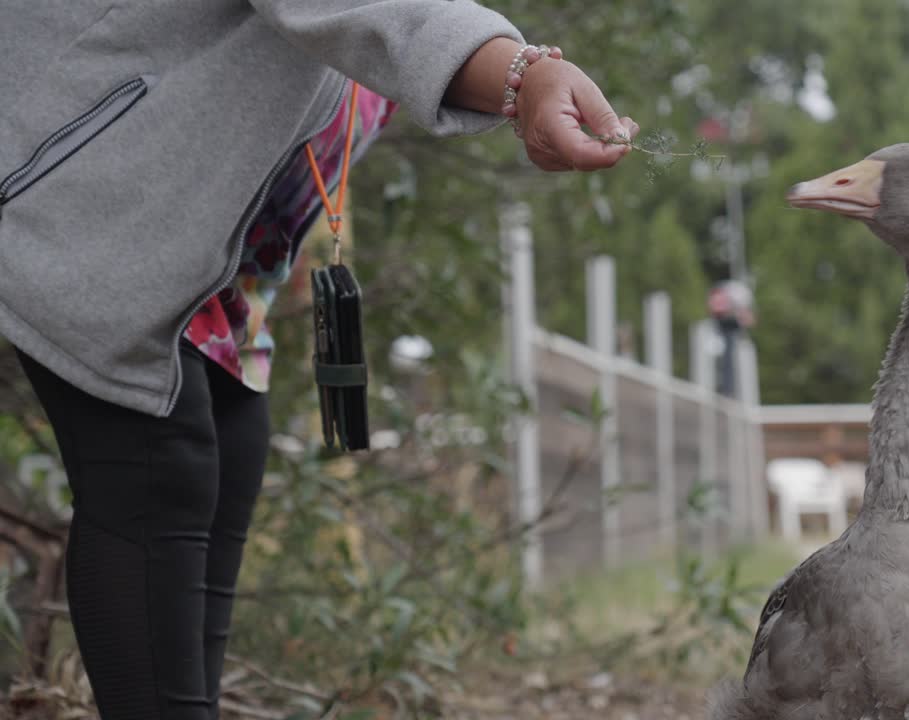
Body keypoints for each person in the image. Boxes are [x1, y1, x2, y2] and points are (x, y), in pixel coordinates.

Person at [0, 2, 639, 718]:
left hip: (204, 267)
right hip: (71, 190)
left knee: (230, 447)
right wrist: (522, 75)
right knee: (160, 471)